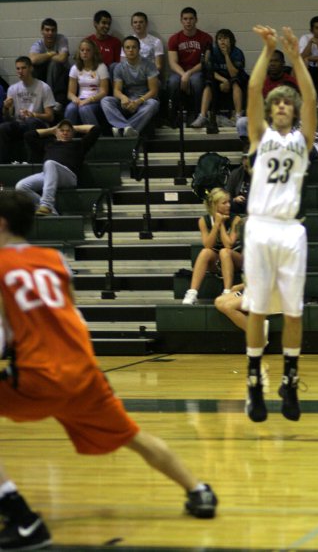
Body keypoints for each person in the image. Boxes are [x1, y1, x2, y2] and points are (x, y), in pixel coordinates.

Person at [0, 192, 217, 551]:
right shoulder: (53, 260)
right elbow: (72, 316)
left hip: (40, 373)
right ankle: (198, 490)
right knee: (133, 435)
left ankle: (22, 520)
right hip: (84, 371)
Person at [243, 25, 317, 423]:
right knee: (257, 309)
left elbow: (309, 97)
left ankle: (290, 379)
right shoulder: (260, 138)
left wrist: (297, 57)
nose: (285, 106)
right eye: (280, 104)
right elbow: (253, 90)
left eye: (288, 103)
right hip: (259, 227)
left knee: (293, 312)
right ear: (272, 112)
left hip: (291, 229)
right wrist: (268, 49)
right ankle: (254, 382)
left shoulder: (302, 141)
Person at [15, 119, 100, 216]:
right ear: (56, 133)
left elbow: (95, 129)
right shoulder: (48, 144)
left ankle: (46, 204)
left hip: (68, 176)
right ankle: (51, 211)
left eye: (68, 131)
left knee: (50, 163)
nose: (65, 133)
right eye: (62, 130)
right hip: (48, 174)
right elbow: (28, 136)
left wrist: (74, 127)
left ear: (73, 133)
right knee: (21, 186)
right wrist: (52, 129)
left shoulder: (79, 145)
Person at [182, 188, 242, 305]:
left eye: (229, 202)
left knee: (225, 252)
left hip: (236, 259)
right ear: (214, 205)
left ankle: (227, 291)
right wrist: (216, 224)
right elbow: (208, 245)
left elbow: (229, 244)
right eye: (224, 203)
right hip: (217, 260)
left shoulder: (236, 219)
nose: (229, 205)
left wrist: (222, 225)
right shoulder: (204, 221)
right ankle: (192, 292)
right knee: (205, 252)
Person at [101, 36, 159, 137]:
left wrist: (138, 102)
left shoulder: (149, 65)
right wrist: (123, 98)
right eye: (127, 48)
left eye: (134, 47)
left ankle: (122, 130)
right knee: (105, 101)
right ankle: (126, 128)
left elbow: (153, 91)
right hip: (127, 101)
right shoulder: (119, 67)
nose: (131, 50)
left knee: (153, 104)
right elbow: (116, 91)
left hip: (143, 101)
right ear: (124, 50)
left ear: (139, 49)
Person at [0, 57, 55, 164]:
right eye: (18, 69)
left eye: (23, 68)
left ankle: (31, 162)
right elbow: (8, 117)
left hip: (38, 124)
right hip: (20, 124)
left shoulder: (44, 87)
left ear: (31, 68)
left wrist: (33, 114)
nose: (20, 71)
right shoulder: (12, 89)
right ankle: (4, 164)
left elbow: (50, 116)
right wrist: (6, 108)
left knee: (31, 121)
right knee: (3, 127)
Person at [191, 29, 248, 128]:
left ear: (231, 40)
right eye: (219, 39)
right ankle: (202, 116)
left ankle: (238, 116)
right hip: (220, 77)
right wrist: (224, 80)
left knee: (235, 82)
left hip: (234, 77)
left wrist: (226, 55)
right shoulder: (213, 52)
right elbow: (210, 71)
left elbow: (233, 73)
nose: (222, 41)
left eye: (225, 38)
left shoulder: (237, 52)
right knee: (208, 84)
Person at [167, 7, 213, 122]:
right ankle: (172, 116)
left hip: (197, 71)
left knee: (197, 82)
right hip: (179, 72)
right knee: (172, 82)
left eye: (191, 19)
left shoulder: (206, 38)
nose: (188, 22)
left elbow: (205, 62)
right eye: (185, 19)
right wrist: (184, 75)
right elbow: (172, 63)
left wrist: (189, 73)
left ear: (196, 20)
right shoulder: (174, 39)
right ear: (181, 21)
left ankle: (198, 115)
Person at [65, 39, 110, 126]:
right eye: (82, 50)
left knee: (84, 109)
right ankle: (68, 135)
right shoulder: (75, 68)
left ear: (93, 52)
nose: (85, 52)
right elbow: (70, 93)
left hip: (96, 100)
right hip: (80, 99)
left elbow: (104, 92)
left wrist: (89, 100)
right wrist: (75, 99)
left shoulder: (101, 67)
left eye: (88, 50)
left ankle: (96, 135)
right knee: (70, 109)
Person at [29, 18, 69, 106]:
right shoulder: (38, 44)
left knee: (54, 64)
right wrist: (51, 54)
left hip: (62, 75)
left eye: (53, 30)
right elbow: (32, 60)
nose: (50, 33)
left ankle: (50, 99)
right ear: (42, 31)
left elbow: (62, 58)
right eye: (47, 30)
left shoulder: (61, 39)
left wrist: (43, 57)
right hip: (44, 75)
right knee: (32, 68)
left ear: (56, 31)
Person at [228, 151, 251, 215]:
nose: (249, 169)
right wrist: (234, 199)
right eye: (246, 167)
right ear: (243, 161)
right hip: (241, 205)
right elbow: (228, 195)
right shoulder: (236, 173)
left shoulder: (263, 173)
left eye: (250, 167)